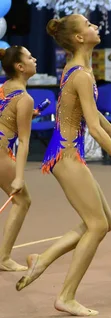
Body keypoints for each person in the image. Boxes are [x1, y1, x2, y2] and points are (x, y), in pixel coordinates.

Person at [15, 15, 111, 317]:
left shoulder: (78, 71)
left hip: (68, 154)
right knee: (96, 225)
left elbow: (92, 115)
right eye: (89, 25)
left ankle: (42, 259)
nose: (95, 25)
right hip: (66, 155)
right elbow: (93, 128)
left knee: (104, 222)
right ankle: (66, 296)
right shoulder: (81, 74)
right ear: (80, 38)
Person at [0, 46, 37, 272]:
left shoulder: (3, 88)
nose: (35, 59)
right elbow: (23, 142)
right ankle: (4, 258)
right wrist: (20, 177)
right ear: (20, 67)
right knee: (22, 200)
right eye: (30, 57)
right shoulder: (25, 98)